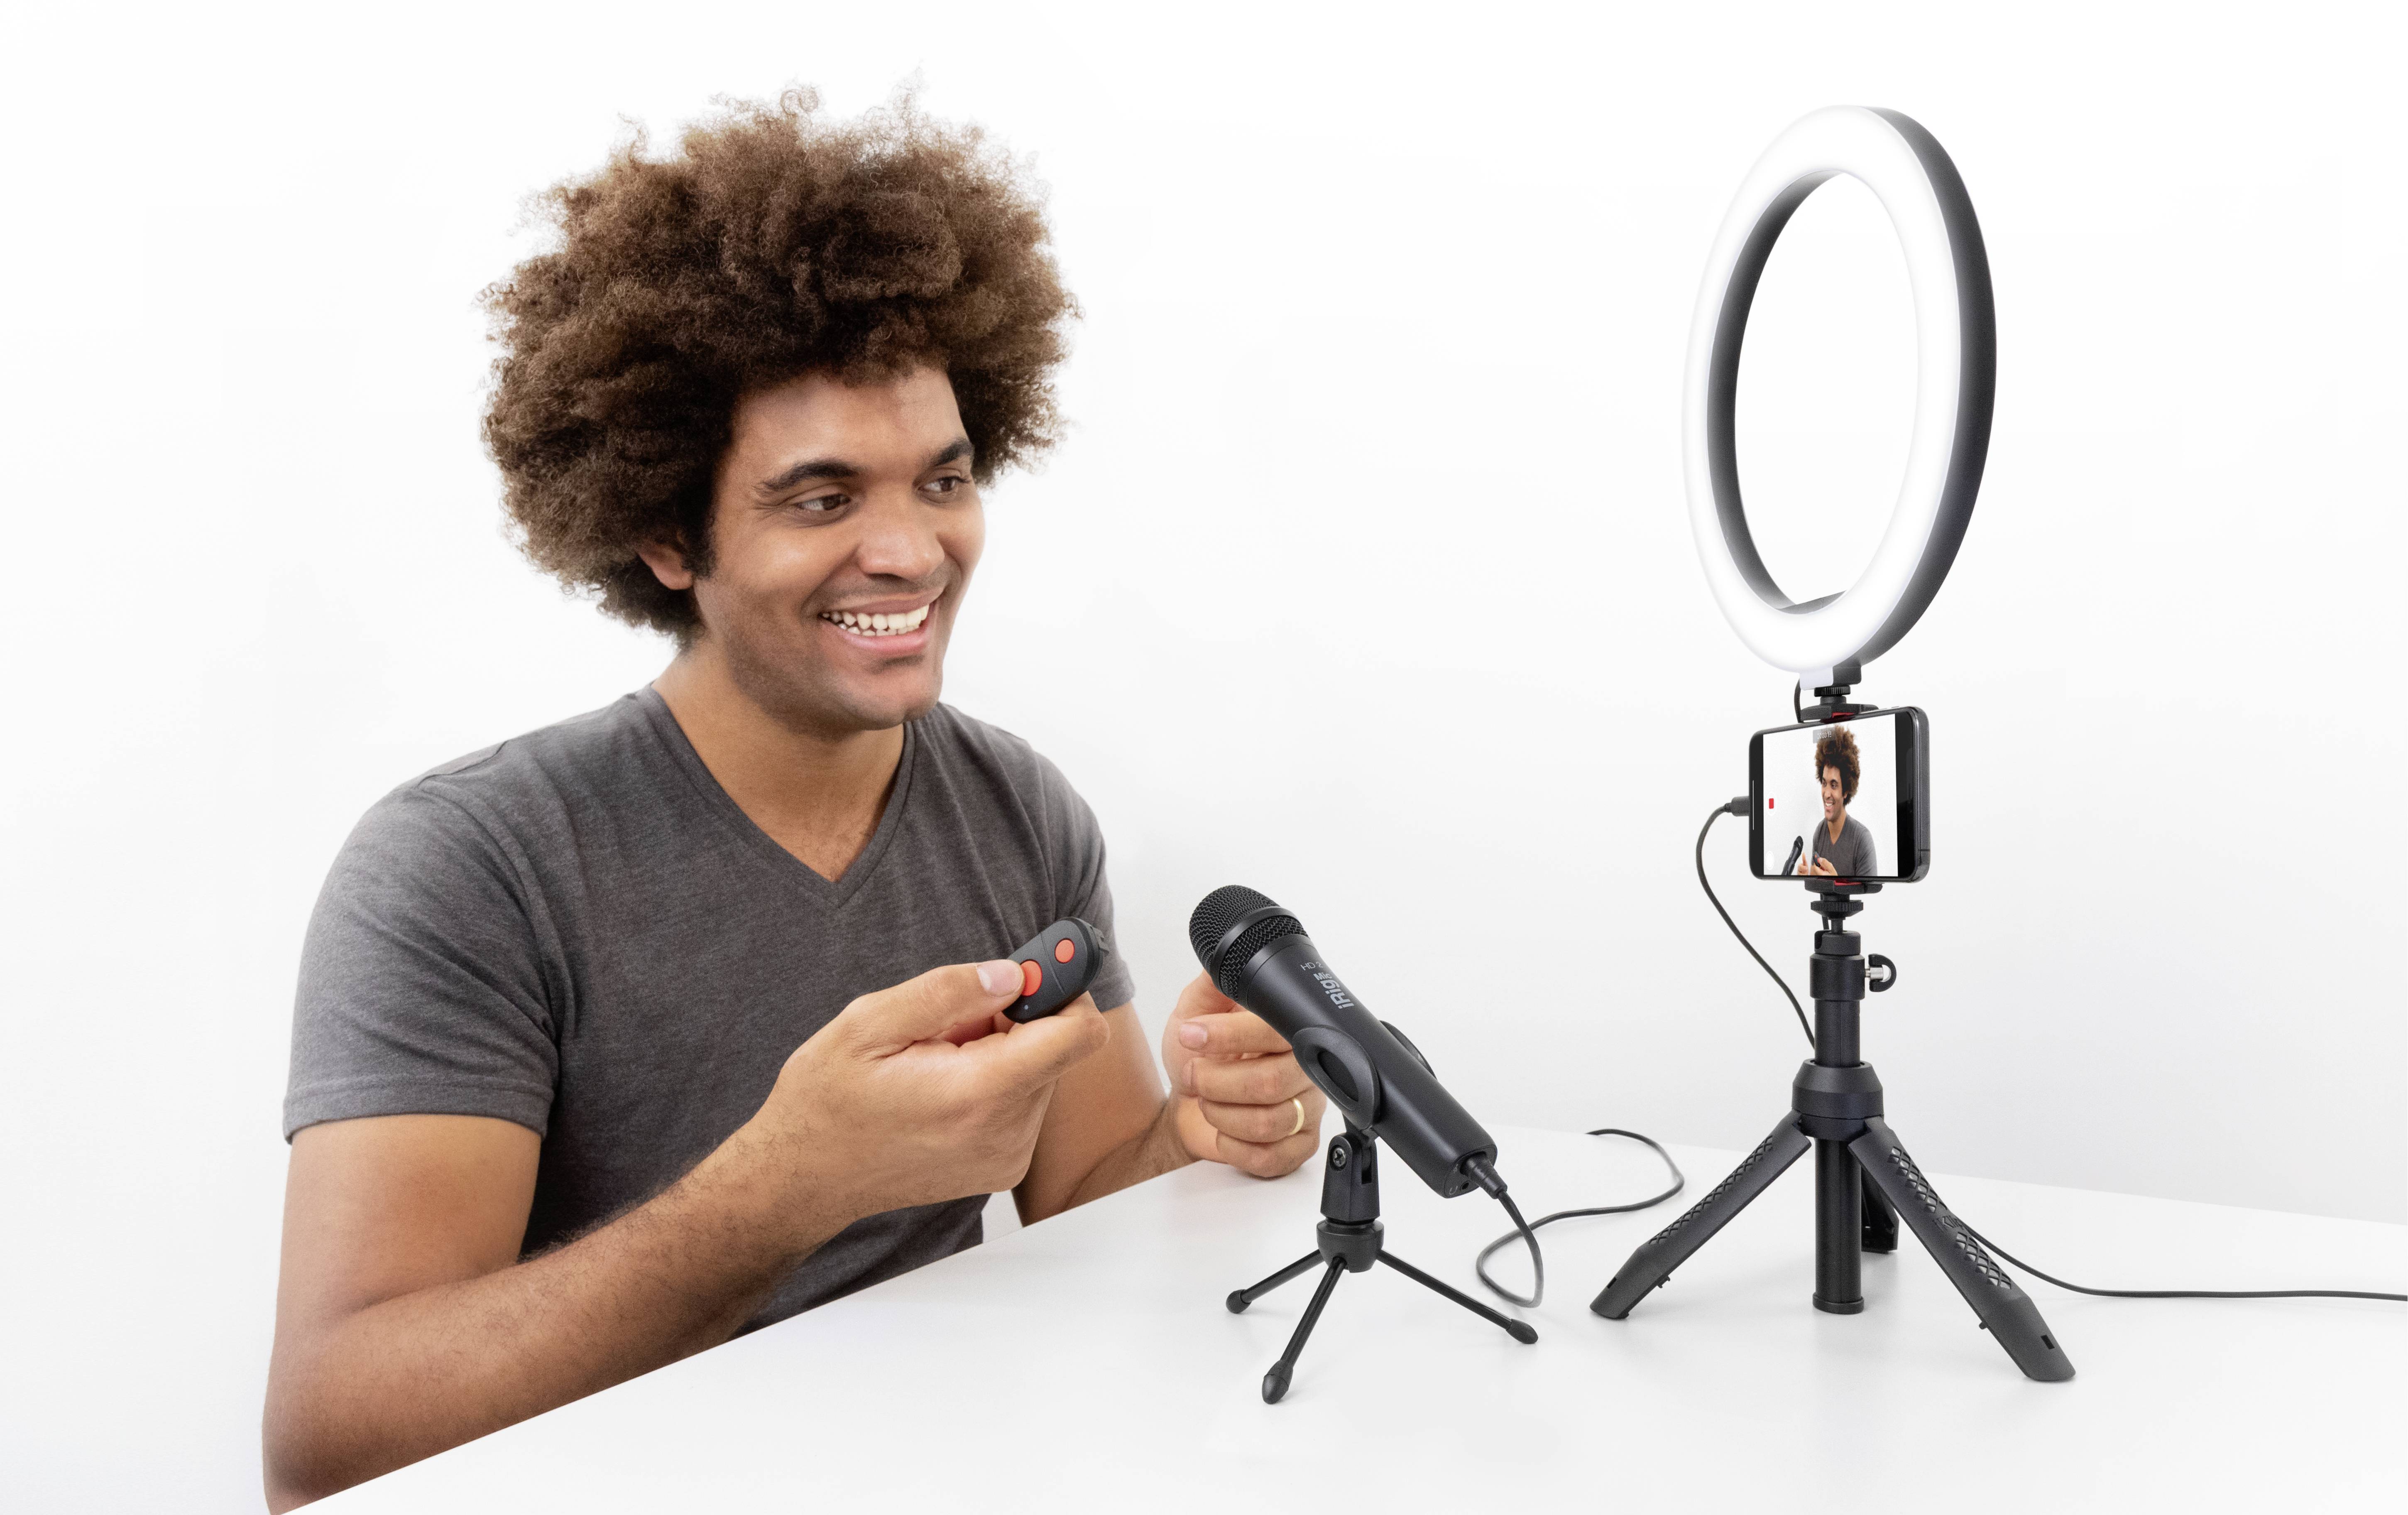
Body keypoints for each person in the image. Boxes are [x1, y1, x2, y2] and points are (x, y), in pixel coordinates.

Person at [263, 93, 1327, 1510]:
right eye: (822, 499)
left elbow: (1086, 1206)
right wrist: (788, 1183)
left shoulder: (1018, 810)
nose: (913, 551)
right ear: (666, 533)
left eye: (942, 479)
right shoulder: (466, 867)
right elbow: (329, 1444)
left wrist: (1199, 1130)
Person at [1794, 726, 1877, 878]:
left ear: (1846, 791)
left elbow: (1871, 890)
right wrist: (1809, 877)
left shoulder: (1862, 839)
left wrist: (1836, 881)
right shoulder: (1819, 832)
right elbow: (1819, 884)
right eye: (1824, 783)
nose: (1827, 794)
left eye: (1834, 785)